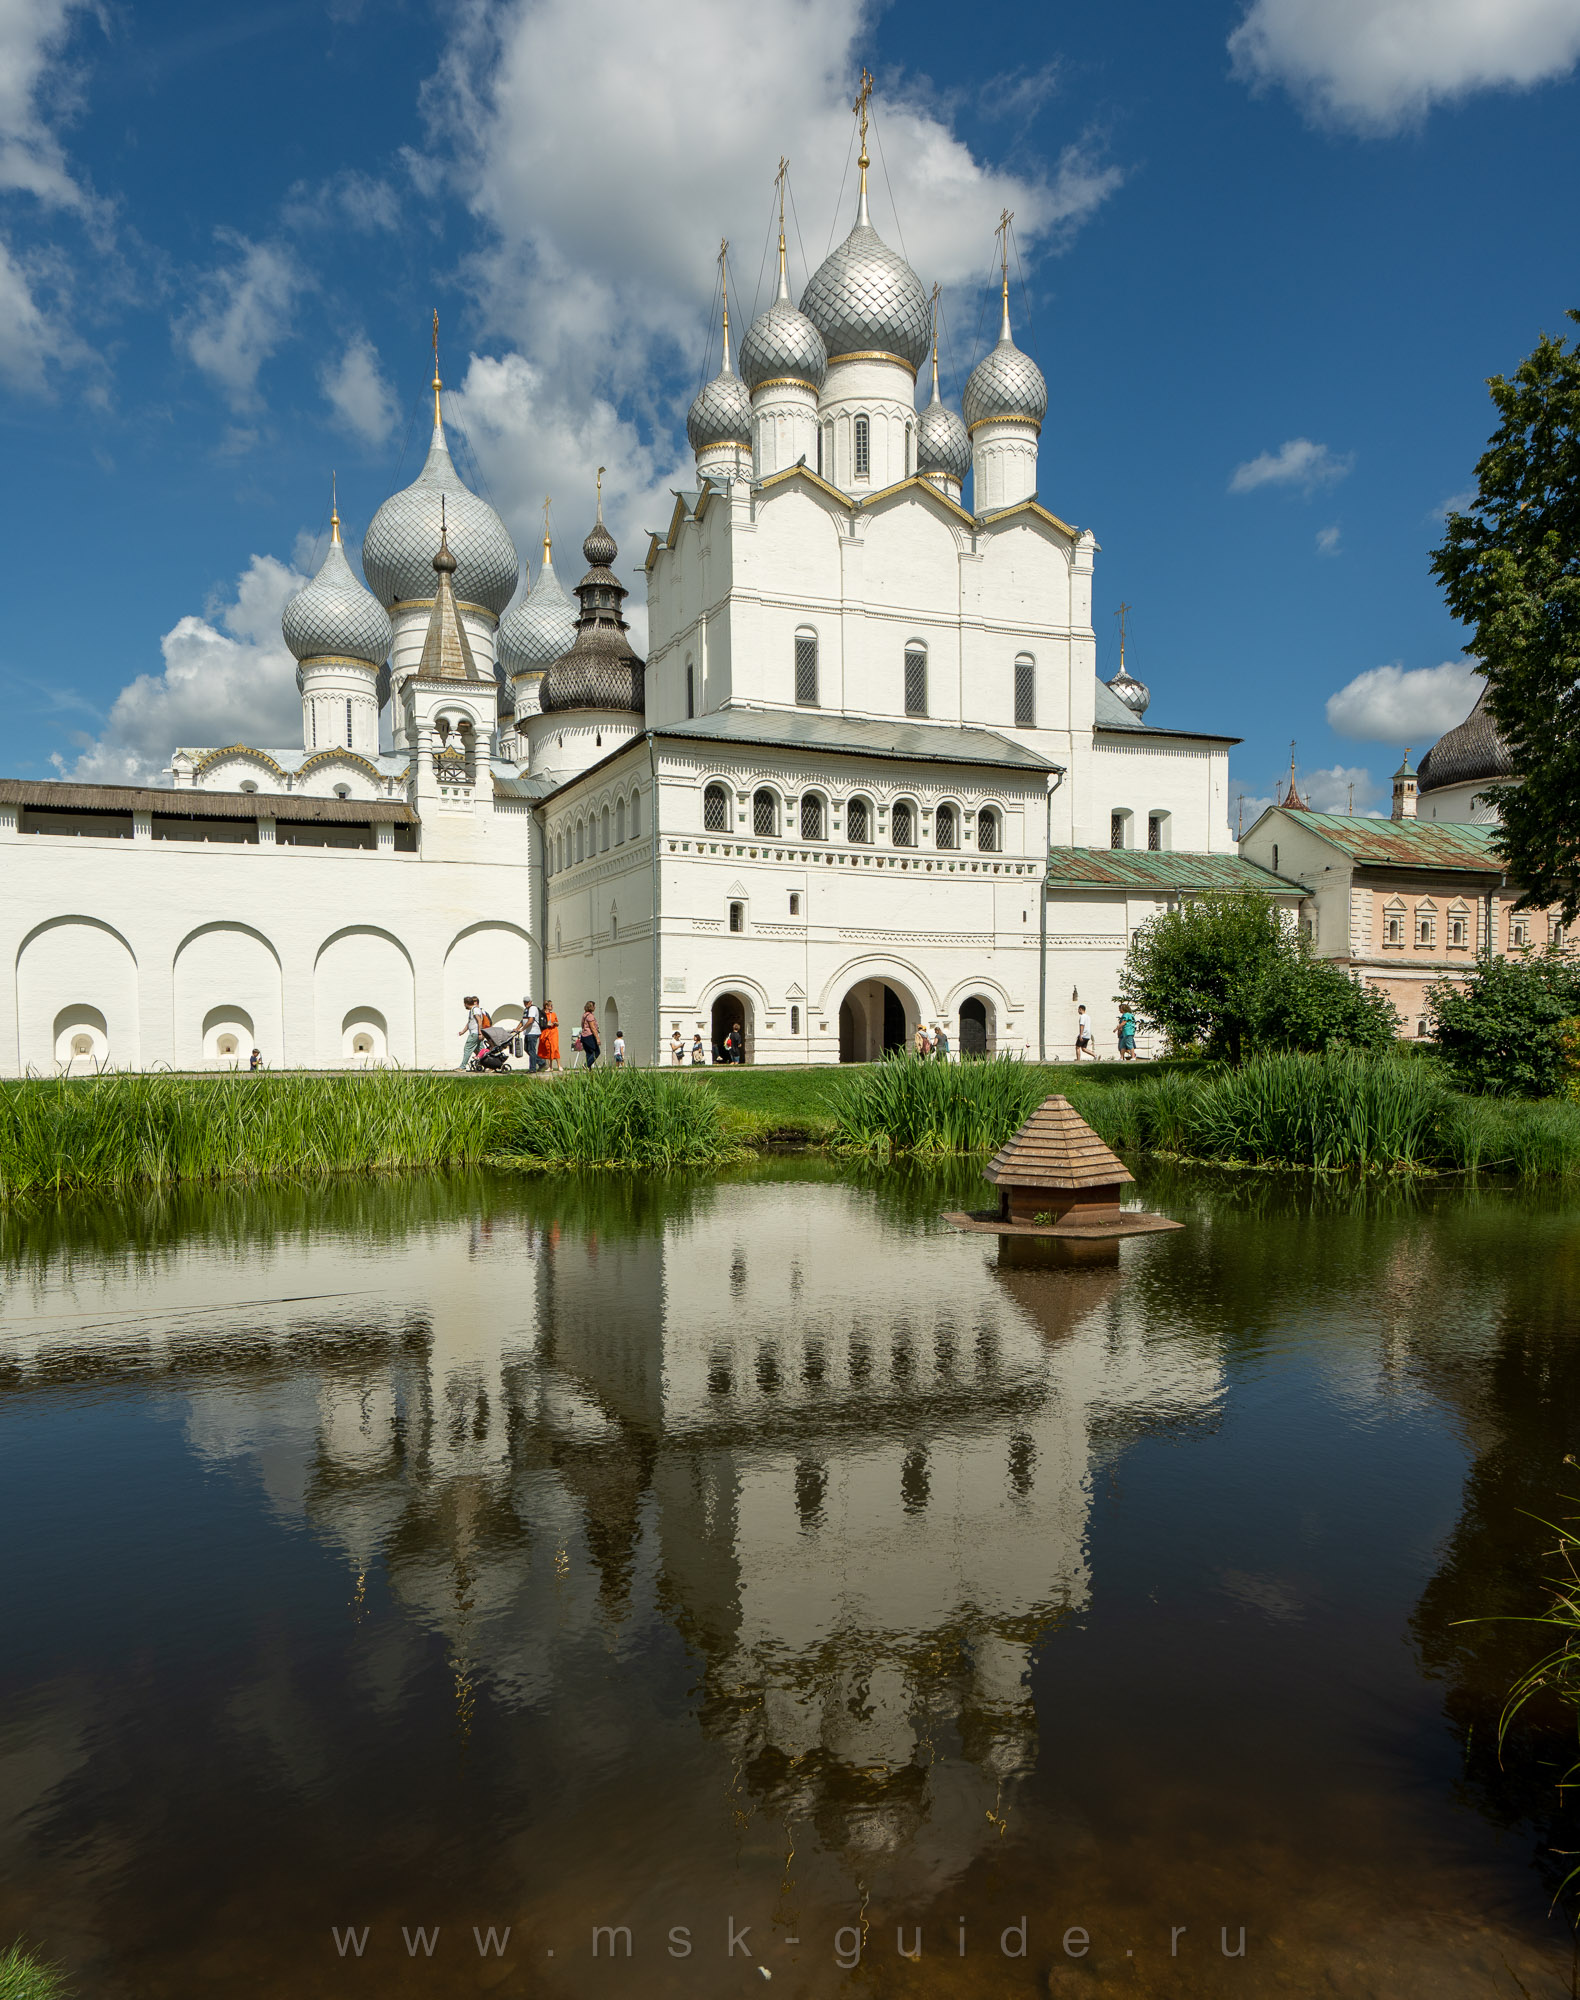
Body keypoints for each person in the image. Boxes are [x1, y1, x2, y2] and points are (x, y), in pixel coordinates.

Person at [459, 995, 483, 1069]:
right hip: (475, 1033)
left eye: (464, 1004)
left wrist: (479, 1033)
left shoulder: (475, 1010)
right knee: (480, 1050)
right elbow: (470, 1023)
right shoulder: (473, 1010)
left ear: (466, 1003)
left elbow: (479, 1021)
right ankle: (486, 1064)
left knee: (467, 1049)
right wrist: (463, 1031)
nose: (464, 1005)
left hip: (474, 1033)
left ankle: (462, 1067)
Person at [539, 1001, 560, 1072]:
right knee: (548, 1049)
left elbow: (557, 1022)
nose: (552, 1007)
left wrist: (555, 1023)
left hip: (553, 1032)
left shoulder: (553, 1014)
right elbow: (542, 1023)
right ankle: (550, 1066)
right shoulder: (543, 1014)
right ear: (546, 1006)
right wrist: (547, 1024)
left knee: (555, 1048)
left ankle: (559, 1065)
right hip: (546, 1032)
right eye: (551, 1005)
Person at [579, 1000, 600, 1069]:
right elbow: (592, 1027)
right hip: (589, 1036)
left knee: (589, 1053)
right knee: (596, 1052)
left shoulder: (584, 1015)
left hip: (584, 1036)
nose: (595, 1007)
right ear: (591, 1007)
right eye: (594, 1006)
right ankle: (586, 1065)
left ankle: (589, 1069)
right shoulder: (590, 1016)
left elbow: (582, 1025)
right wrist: (597, 1038)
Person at [524, 999, 541, 1073]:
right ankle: (541, 1062)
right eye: (525, 1002)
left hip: (533, 1032)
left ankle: (532, 1068)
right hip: (528, 1032)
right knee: (527, 1049)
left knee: (531, 1050)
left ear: (531, 1002)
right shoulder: (526, 1010)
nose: (526, 1003)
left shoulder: (533, 1008)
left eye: (528, 1002)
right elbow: (523, 1020)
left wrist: (522, 1029)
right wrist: (517, 1028)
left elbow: (530, 1020)